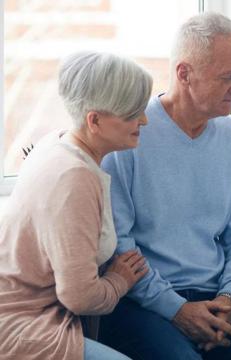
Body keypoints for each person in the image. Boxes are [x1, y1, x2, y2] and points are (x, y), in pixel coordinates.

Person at [98, 12, 231, 360]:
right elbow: (119, 244)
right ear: (185, 74)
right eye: (227, 76)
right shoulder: (130, 134)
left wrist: (230, 298)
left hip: (216, 296)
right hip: (142, 303)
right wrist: (175, 309)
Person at [0, 51, 153, 360]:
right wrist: (119, 281)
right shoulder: (75, 177)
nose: (144, 120)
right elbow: (80, 297)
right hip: (21, 323)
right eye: (131, 113)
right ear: (94, 120)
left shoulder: (55, 142)